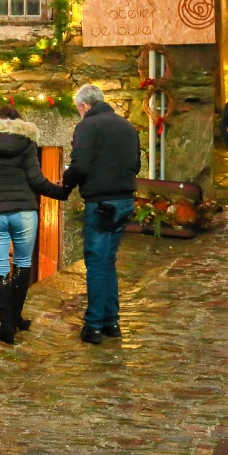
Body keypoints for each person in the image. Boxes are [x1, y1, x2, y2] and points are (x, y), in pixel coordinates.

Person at [0, 106, 69, 345]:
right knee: (22, 264)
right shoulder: (26, 143)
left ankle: (7, 325)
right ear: (17, 122)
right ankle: (16, 317)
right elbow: (36, 180)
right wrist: (61, 192)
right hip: (25, 212)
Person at [62, 85, 140, 345]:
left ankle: (94, 325)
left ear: (84, 106)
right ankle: (111, 322)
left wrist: (66, 181)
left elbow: (80, 164)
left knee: (96, 263)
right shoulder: (126, 126)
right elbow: (136, 164)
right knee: (107, 261)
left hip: (101, 202)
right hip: (125, 200)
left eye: (78, 109)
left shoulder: (87, 126)